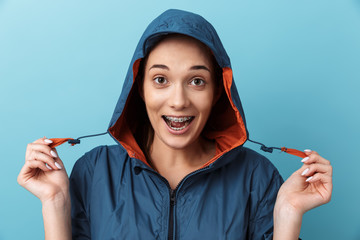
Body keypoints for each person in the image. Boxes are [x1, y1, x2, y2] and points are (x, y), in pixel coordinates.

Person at [17, 9, 332, 240]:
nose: (178, 100)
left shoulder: (257, 177)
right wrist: (55, 202)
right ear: (139, 89)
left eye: (197, 80)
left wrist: (288, 214)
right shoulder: (95, 171)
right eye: (160, 79)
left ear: (218, 92)